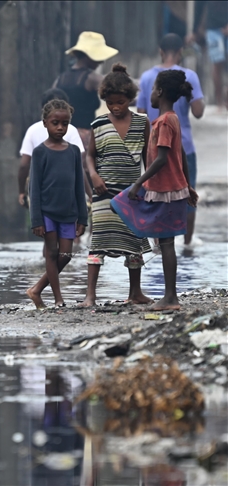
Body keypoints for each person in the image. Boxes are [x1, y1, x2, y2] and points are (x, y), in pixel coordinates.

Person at [112, 70, 199, 311]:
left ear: (159, 92)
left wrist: (138, 183)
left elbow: (162, 159)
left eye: (152, 89)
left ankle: (170, 298)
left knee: (166, 242)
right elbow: (181, 153)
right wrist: (188, 184)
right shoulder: (171, 119)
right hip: (170, 188)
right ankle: (168, 294)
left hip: (166, 190)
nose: (149, 94)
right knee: (162, 238)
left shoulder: (164, 122)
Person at [82, 64, 153, 308]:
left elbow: (147, 158)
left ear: (130, 99)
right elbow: (90, 155)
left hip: (132, 194)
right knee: (98, 243)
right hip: (103, 194)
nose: (115, 107)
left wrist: (147, 186)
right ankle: (90, 295)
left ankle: (135, 292)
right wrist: (93, 175)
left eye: (120, 102)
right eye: (110, 102)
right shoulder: (99, 124)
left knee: (134, 242)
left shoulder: (142, 123)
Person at [138, 34, 205, 248]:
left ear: (160, 51)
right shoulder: (189, 76)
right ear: (180, 51)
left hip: (154, 148)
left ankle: (160, 242)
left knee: (155, 194)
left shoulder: (147, 77)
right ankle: (187, 243)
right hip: (183, 144)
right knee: (186, 192)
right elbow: (198, 112)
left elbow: (141, 115)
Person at [26, 99, 88, 309]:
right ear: (45, 123)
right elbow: (34, 188)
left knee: (66, 255)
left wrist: (83, 217)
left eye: (65, 123)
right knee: (52, 253)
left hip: (69, 212)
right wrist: (36, 220)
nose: (60, 127)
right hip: (47, 212)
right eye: (55, 123)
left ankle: (36, 289)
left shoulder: (73, 152)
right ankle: (58, 298)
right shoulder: (40, 152)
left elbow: (79, 185)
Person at [18, 88, 86, 208]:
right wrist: (88, 194)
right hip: (67, 190)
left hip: (41, 190)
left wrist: (21, 192)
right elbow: (79, 165)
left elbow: (24, 165)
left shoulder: (32, 130)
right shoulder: (70, 130)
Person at [54, 32, 119, 147]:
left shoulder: (61, 79)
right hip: (83, 137)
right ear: (89, 56)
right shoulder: (92, 78)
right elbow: (119, 97)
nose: (101, 62)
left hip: (61, 135)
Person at [188, 1, 228, 109]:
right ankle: (219, 102)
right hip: (213, 27)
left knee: (217, 65)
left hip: (216, 25)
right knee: (217, 64)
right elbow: (199, 6)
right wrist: (194, 31)